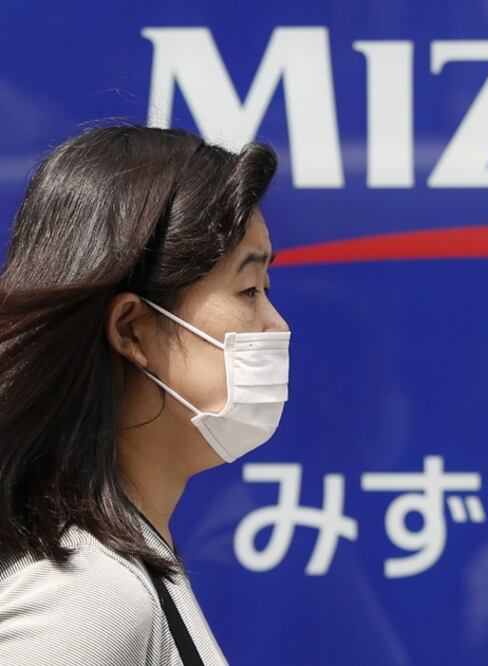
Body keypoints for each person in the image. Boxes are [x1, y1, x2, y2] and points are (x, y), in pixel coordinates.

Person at [0, 123, 290, 665]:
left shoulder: (131, 558)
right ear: (133, 330)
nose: (275, 326)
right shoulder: (86, 598)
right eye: (248, 290)